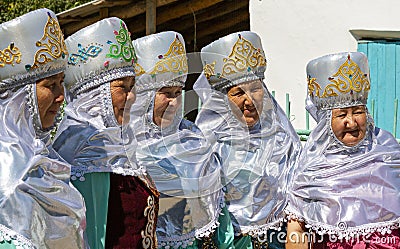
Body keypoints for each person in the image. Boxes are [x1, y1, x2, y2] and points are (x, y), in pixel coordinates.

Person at [52, 17, 159, 249]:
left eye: (133, 87)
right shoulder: (87, 147)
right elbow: (91, 239)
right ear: (95, 95)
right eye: (122, 87)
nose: (131, 98)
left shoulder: (120, 142)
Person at [194, 31, 302, 248]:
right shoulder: (206, 146)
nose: (249, 100)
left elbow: (297, 202)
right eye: (238, 93)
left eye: (255, 89)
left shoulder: (282, 140)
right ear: (221, 99)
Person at [286, 52, 400, 249]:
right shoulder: (312, 166)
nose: (352, 122)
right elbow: (296, 231)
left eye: (358, 112)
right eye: (341, 115)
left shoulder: (388, 151)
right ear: (325, 122)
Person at [0, 8, 86, 248]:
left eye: (62, 82)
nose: (61, 97)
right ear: (18, 98)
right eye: (50, 85)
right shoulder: (6, 171)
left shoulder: (45, 156)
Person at [130, 31, 223, 249]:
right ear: (144, 96)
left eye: (178, 92)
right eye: (165, 93)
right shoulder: (125, 148)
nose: (173, 103)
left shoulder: (193, 139)